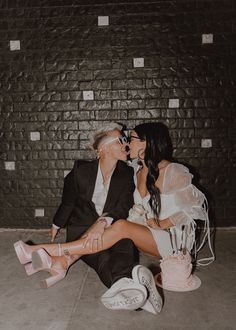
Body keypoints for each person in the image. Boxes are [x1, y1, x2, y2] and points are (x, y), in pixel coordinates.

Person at [14, 122, 214, 313]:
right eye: (124, 139)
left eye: (132, 138)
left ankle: (44, 251)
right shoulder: (137, 170)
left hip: (173, 240)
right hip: (146, 234)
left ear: (146, 143)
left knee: (119, 228)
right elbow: (72, 201)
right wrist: (78, 224)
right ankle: (128, 289)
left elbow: (197, 207)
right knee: (108, 245)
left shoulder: (171, 171)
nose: (128, 143)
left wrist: (163, 223)